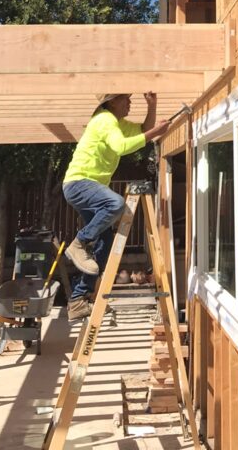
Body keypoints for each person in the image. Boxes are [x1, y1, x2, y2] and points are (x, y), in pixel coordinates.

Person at [62, 91, 169, 320]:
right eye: (125, 98)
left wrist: (152, 106)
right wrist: (155, 133)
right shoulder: (104, 120)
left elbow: (143, 130)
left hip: (88, 187)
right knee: (115, 203)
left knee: (105, 242)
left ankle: (78, 300)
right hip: (79, 183)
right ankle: (79, 243)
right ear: (111, 102)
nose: (130, 102)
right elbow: (121, 147)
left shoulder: (117, 123)